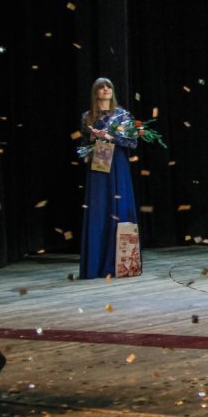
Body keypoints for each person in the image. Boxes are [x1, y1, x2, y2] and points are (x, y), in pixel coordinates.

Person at [79, 77, 138, 279]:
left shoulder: (122, 114)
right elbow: (82, 147)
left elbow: (132, 142)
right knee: (99, 209)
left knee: (119, 207)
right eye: (101, 87)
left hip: (118, 163)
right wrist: (94, 138)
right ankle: (96, 263)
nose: (105, 89)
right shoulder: (87, 116)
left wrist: (111, 137)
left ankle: (120, 263)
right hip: (99, 163)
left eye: (109, 87)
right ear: (95, 92)